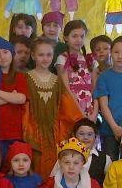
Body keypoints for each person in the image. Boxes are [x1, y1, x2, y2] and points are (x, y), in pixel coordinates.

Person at [23, 37, 83, 180]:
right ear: (33, 56)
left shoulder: (57, 81)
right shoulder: (26, 78)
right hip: (33, 132)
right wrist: (28, 131)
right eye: (41, 55)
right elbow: (23, 109)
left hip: (54, 135)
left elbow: (67, 108)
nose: (45, 58)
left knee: (54, 172)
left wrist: (81, 123)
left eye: (49, 55)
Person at [56, 19, 98, 120]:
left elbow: (96, 88)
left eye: (82, 36)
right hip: (71, 107)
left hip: (89, 107)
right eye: (74, 36)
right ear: (66, 37)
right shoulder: (62, 59)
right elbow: (65, 88)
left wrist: (95, 113)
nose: (79, 40)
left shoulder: (90, 60)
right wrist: (80, 113)